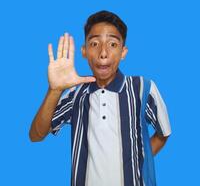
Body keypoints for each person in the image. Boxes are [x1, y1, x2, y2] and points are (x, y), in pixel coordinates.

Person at [29, 10, 171, 186]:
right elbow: (36, 135)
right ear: (84, 51)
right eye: (95, 43)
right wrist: (54, 90)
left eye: (112, 44)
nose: (103, 53)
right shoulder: (76, 94)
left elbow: (163, 134)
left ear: (123, 51)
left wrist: (139, 161)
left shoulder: (143, 88)